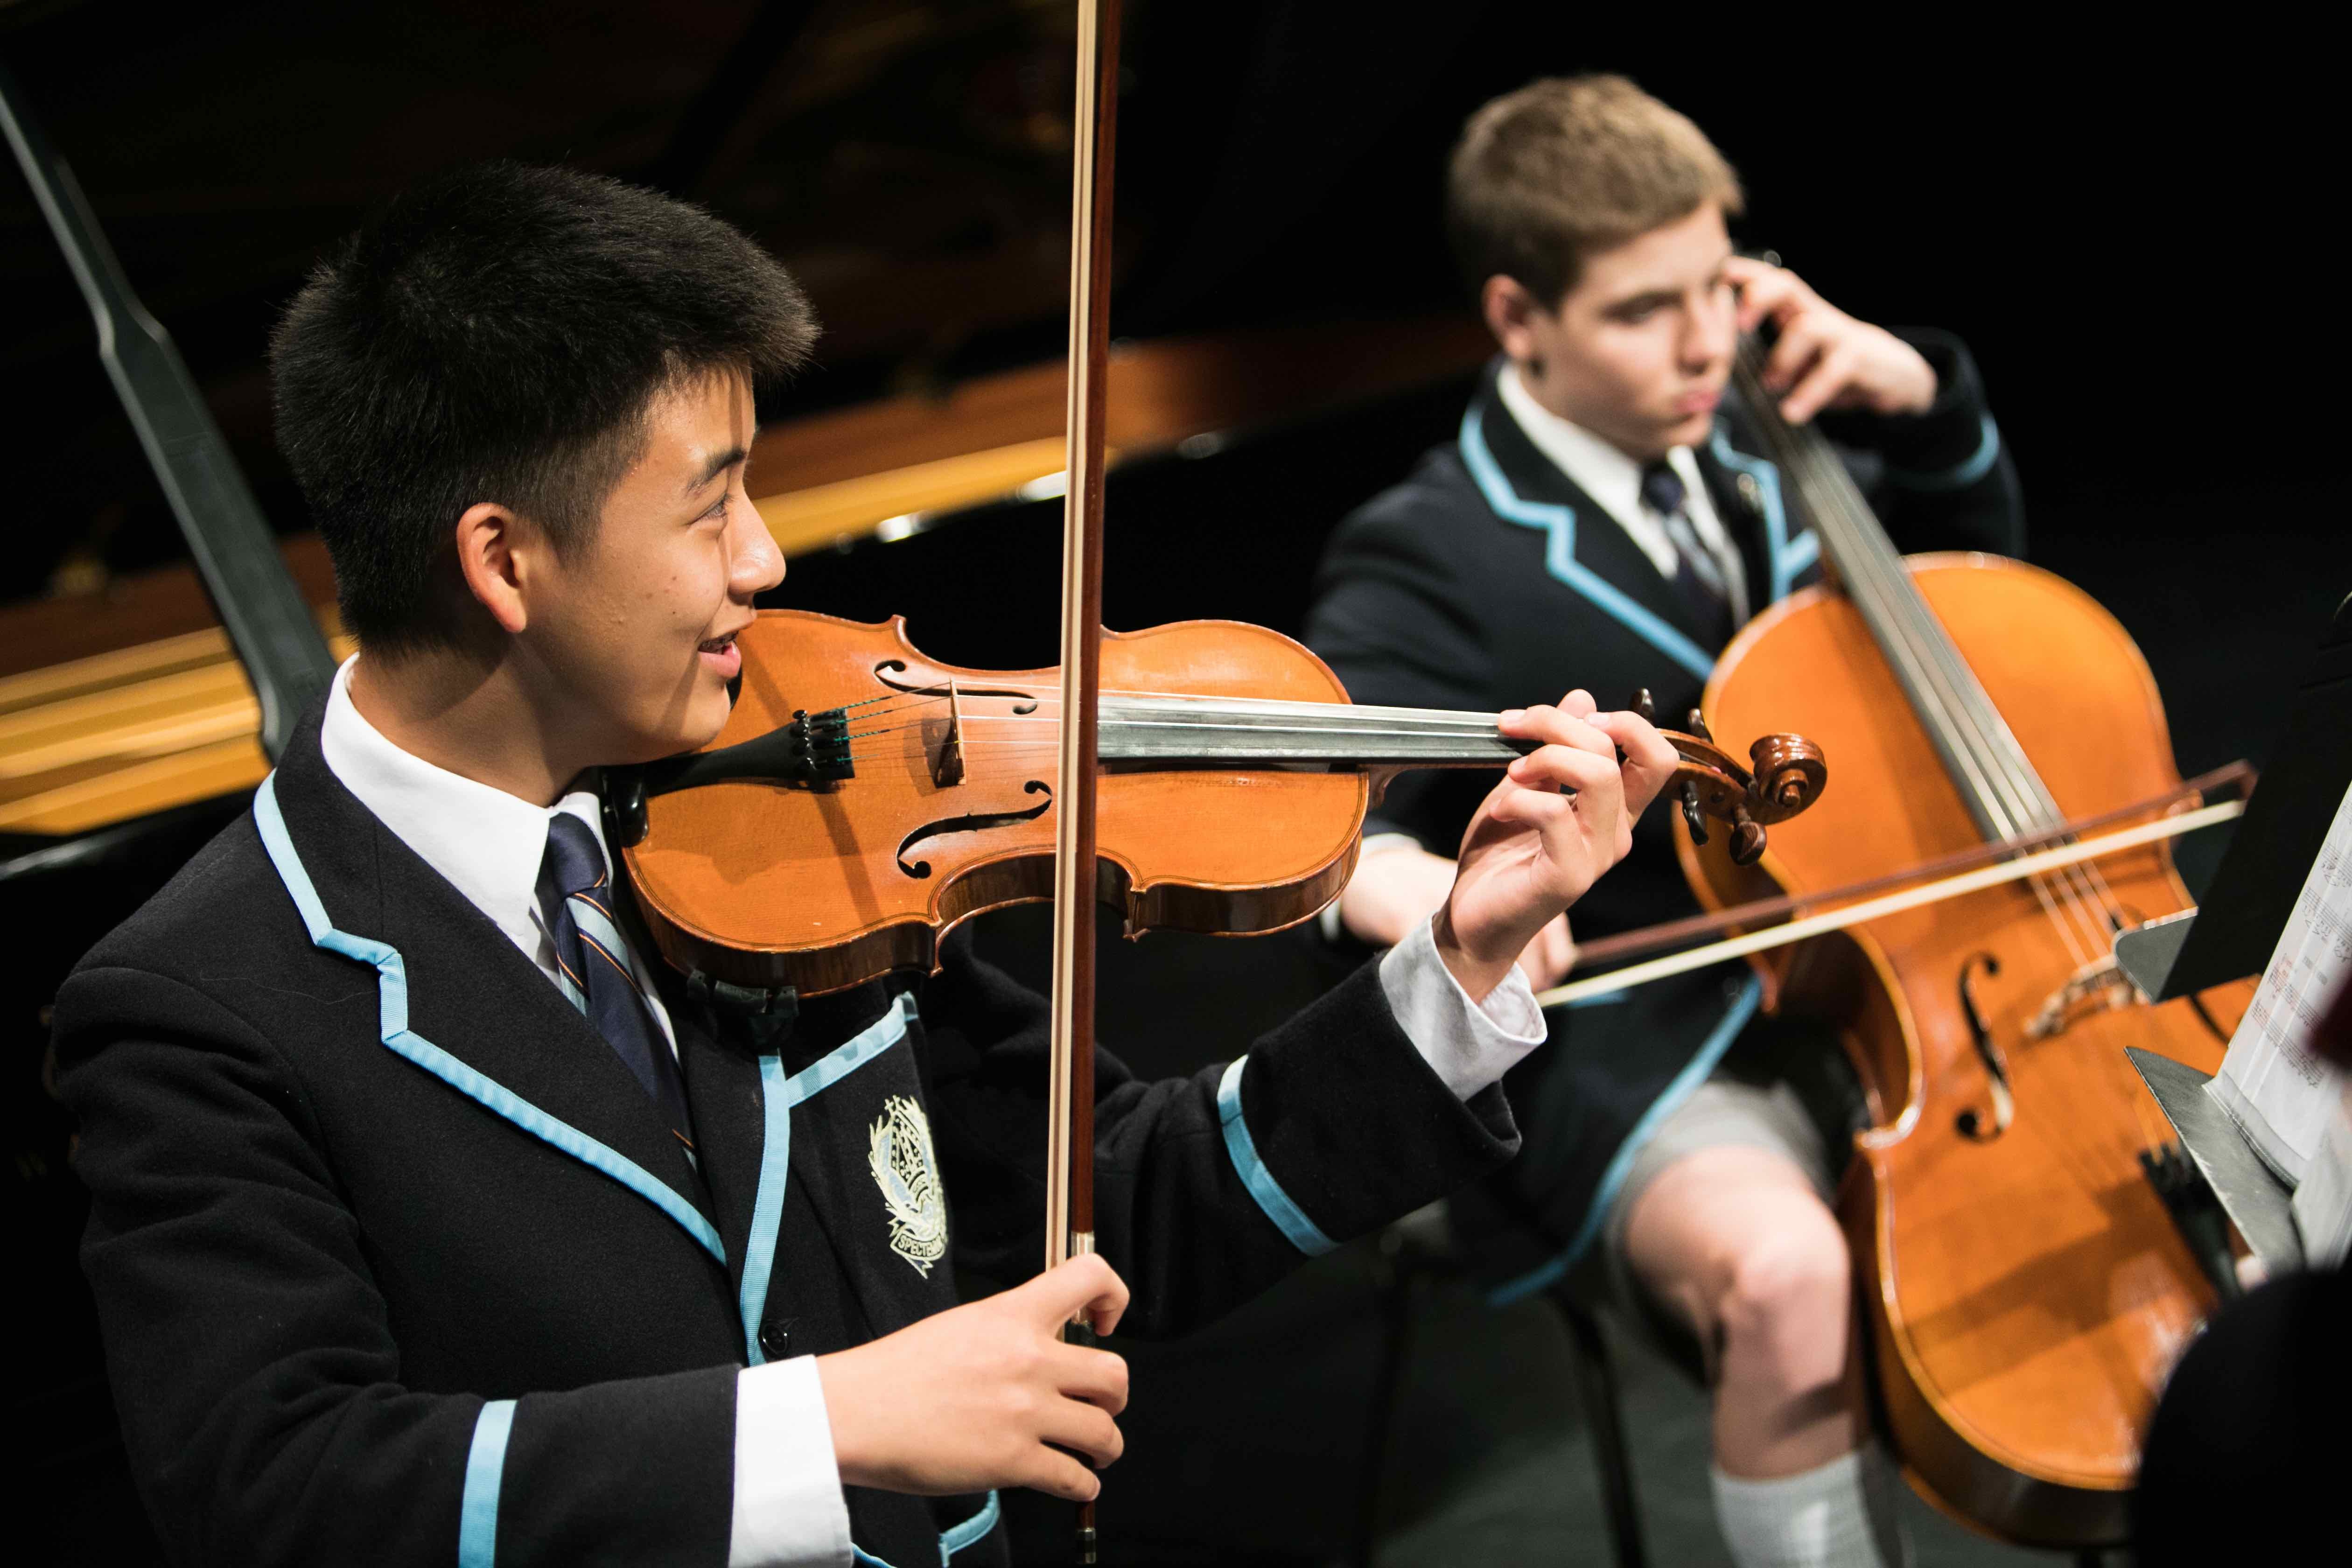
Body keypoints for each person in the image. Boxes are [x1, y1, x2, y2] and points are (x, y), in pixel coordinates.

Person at [50, 162, 1679, 1568]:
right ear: (504, 563)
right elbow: (280, 1491)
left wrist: (1460, 965)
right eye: (711, 506)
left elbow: (1120, 1199)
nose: (766, 560)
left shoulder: (799, 808)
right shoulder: (200, 1008)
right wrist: (822, 1426)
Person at [1306, 76, 2022, 1568]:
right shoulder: (1433, 549)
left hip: (1887, 962)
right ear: (1519, 319)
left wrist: (1925, 400)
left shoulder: (1772, 442)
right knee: (1789, 1278)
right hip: (1633, 1037)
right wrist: (1407, 884)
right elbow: (1322, 816)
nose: (1707, 346)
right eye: (1644, 310)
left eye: (1720, 287)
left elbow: (1972, 630)